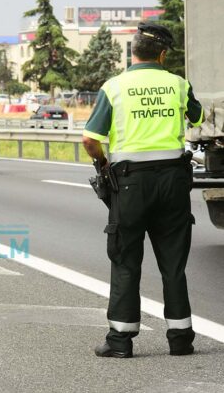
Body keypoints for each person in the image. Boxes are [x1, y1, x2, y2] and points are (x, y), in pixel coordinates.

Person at [82, 22, 204, 358]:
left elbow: (90, 140)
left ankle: (120, 342)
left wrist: (104, 164)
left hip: (130, 184)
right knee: (173, 264)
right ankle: (181, 340)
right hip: (173, 183)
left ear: (132, 52)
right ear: (163, 54)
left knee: (125, 260)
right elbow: (198, 118)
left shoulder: (115, 87)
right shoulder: (178, 85)